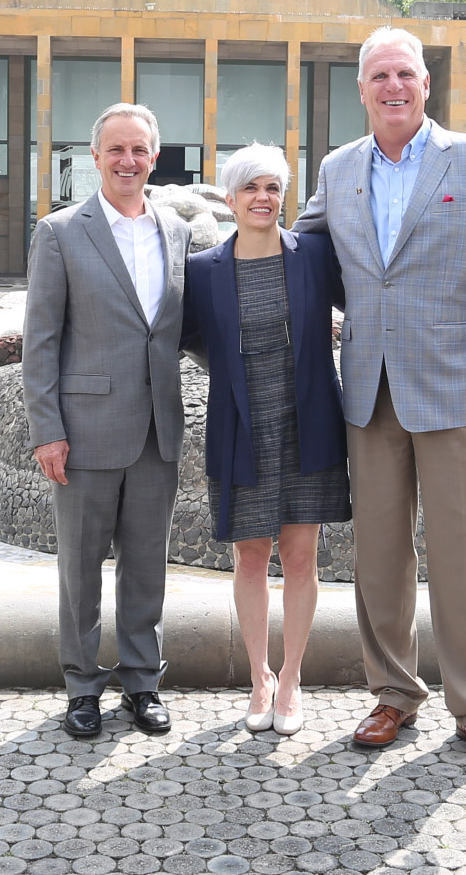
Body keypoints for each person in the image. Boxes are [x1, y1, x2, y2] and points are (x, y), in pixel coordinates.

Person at [292, 27, 466, 765]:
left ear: (425, 85)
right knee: (379, 555)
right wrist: (214, 274)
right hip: (367, 391)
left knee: (464, 553)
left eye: (404, 74)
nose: (392, 87)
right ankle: (392, 694)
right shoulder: (337, 170)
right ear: (361, 90)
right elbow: (299, 255)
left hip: (458, 386)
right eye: (378, 77)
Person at [23, 102, 192, 738]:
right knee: (80, 567)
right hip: (85, 428)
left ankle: (143, 683)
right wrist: (48, 429)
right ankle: (81, 686)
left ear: (155, 156)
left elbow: (179, 328)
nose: (128, 160)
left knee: (148, 563)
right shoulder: (61, 232)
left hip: (157, 427)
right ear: (95, 157)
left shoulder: (174, 231)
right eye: (115, 149)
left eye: (139, 150)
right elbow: (39, 339)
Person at [182, 144, 350, 735]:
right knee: (250, 556)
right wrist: (233, 368)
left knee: (302, 557)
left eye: (273, 188)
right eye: (250, 188)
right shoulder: (203, 271)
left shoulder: (313, 258)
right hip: (239, 425)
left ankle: (293, 677)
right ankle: (259, 677)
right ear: (229, 199)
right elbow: (192, 338)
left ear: (285, 197)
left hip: (309, 422)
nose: (263, 198)